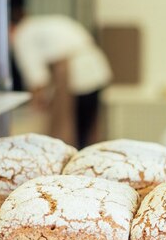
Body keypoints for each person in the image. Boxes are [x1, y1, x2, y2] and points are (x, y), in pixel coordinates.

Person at [11, 15, 111, 147]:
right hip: (96, 69)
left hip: (77, 76)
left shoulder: (22, 36)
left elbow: (37, 80)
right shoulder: (44, 24)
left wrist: (37, 107)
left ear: (10, 28)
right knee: (88, 128)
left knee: (75, 130)